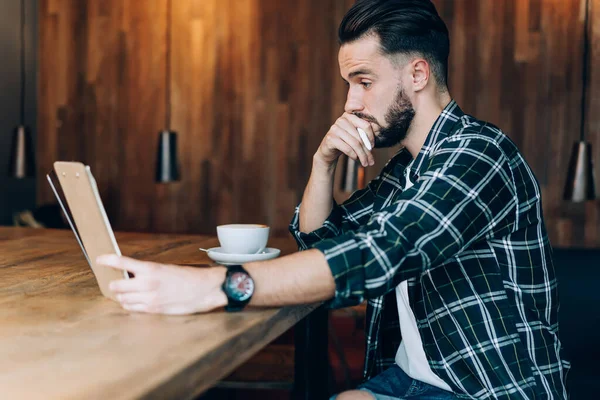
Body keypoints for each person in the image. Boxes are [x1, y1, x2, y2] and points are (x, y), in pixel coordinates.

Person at [96, 0, 570, 398]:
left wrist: (214, 287)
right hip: (411, 378)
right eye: (349, 85)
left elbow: (380, 252)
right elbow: (321, 243)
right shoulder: (405, 170)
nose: (350, 103)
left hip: (486, 385)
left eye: (363, 82)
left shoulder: (480, 154)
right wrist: (322, 161)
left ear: (418, 74)